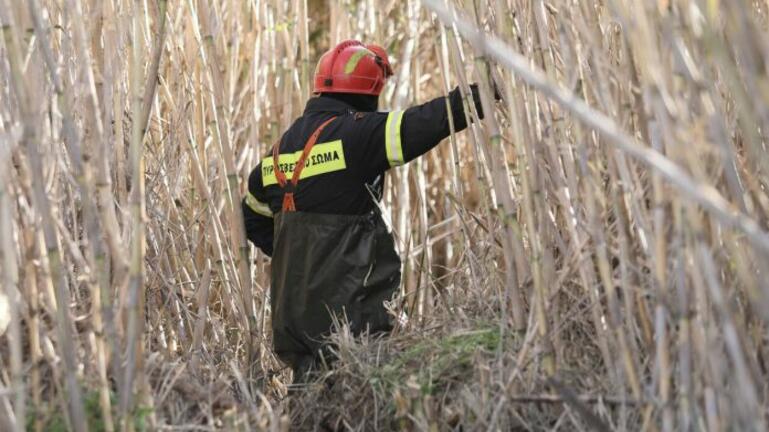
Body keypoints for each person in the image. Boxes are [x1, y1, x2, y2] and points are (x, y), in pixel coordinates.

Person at [242, 39, 491, 383]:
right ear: (368, 93)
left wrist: (303, 257)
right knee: (358, 400)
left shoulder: (274, 155)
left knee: (308, 400)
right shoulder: (358, 135)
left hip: (295, 318)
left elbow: (252, 219)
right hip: (352, 315)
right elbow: (426, 121)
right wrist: (487, 91)